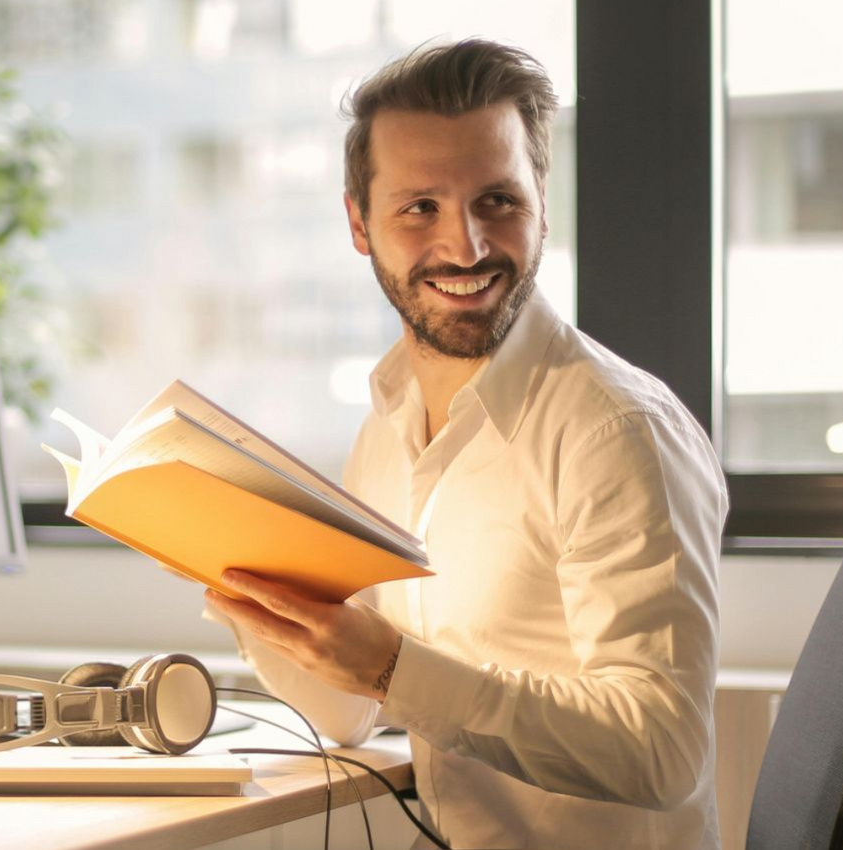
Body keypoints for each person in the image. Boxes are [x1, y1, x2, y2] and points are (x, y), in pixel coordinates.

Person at [205, 38, 726, 849]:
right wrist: (255, 602)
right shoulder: (387, 421)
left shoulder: (617, 431)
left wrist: (393, 669)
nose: (467, 246)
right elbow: (349, 714)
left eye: (497, 202)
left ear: (542, 205)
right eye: (420, 208)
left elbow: (663, 751)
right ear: (359, 223)